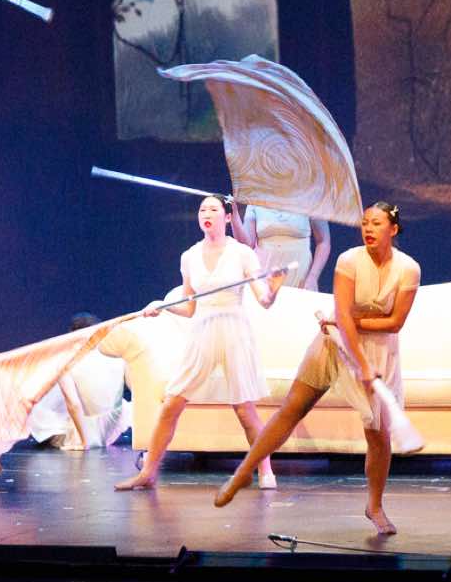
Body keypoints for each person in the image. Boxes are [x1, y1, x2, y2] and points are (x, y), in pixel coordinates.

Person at [215, 202, 420, 535]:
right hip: (334, 343)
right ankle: (242, 473)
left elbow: (394, 322)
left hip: (379, 352)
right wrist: (351, 339)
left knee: (378, 436)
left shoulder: (408, 268)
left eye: (377, 223)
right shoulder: (348, 261)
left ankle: (375, 505)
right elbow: (344, 319)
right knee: (291, 409)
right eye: (365, 223)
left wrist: (352, 331)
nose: (368, 229)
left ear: (393, 229)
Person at [116, 195, 287, 490]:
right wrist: (162, 306)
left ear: (228, 217)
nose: (206, 214)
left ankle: (265, 470)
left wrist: (272, 290)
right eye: (202, 209)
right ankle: (149, 472)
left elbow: (264, 300)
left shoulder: (242, 253)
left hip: (233, 331)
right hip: (202, 331)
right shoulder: (189, 256)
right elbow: (190, 308)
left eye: (213, 209)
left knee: (244, 409)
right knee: (172, 404)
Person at [26, 313, 133, 451]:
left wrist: (84, 442)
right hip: (104, 429)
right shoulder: (117, 358)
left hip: (82, 431)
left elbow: (74, 404)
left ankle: (80, 436)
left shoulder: (66, 361)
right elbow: (137, 391)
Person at [231, 202, 332, 291]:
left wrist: (313, 277)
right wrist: (234, 216)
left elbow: (323, 242)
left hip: (300, 276)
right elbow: (247, 245)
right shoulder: (256, 199)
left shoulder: (309, 198)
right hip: (265, 274)